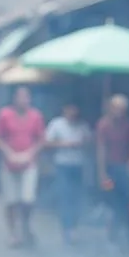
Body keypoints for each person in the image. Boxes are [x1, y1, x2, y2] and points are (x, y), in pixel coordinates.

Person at [0, 86, 45, 247]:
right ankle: (13, 233)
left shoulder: (36, 116)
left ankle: (26, 225)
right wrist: (8, 152)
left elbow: (41, 139)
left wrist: (30, 153)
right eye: (20, 97)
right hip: (9, 164)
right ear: (14, 98)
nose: (23, 100)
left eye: (26, 97)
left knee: (27, 199)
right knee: (11, 201)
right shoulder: (5, 114)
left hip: (29, 163)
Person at [46, 102, 92, 244]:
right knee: (65, 197)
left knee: (76, 198)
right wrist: (65, 144)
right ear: (65, 110)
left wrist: (84, 143)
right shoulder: (56, 124)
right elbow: (47, 143)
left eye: (75, 110)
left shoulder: (82, 126)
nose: (73, 112)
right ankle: (66, 229)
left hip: (78, 166)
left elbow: (91, 142)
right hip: (62, 165)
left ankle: (74, 228)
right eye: (70, 109)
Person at [96, 95, 129, 240]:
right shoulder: (103, 125)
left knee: (125, 199)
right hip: (110, 169)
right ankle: (110, 233)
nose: (119, 111)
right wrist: (102, 173)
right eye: (116, 108)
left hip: (124, 169)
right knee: (110, 199)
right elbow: (101, 149)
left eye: (122, 108)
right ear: (110, 108)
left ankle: (122, 230)